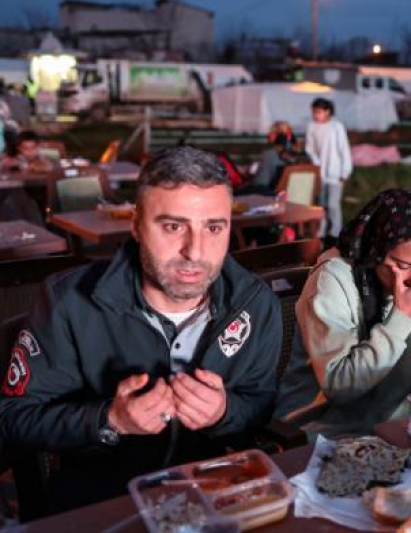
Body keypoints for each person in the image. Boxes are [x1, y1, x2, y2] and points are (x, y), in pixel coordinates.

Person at [0, 146, 282, 514]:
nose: (195, 251)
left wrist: (225, 412)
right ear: (135, 224)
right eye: (173, 226)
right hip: (101, 503)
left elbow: (259, 401)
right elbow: (13, 418)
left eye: (214, 227)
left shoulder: (255, 302)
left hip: (208, 498)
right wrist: (110, 420)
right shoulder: (68, 302)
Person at [275, 189, 411, 437]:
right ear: (376, 249)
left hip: (396, 422)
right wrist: (401, 315)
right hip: (328, 432)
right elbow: (340, 387)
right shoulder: (334, 279)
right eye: (403, 266)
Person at [305, 98, 352, 245]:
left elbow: (344, 148)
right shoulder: (312, 126)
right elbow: (310, 148)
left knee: (333, 204)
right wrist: (316, 163)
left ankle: (336, 232)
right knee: (321, 203)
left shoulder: (336, 126)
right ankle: (323, 229)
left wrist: (345, 170)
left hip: (335, 172)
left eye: (319, 112)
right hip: (320, 173)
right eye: (314, 112)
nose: (316, 115)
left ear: (327, 111)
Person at [248, 121, 302, 194]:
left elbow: (260, 183)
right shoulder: (302, 156)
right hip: (300, 201)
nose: (268, 135)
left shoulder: (270, 154)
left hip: (273, 199)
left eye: (271, 133)